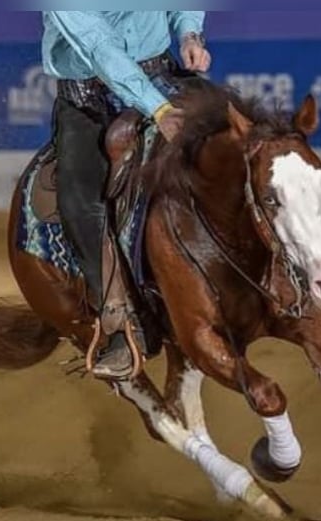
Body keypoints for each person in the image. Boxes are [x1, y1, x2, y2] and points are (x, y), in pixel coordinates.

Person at [41, 11, 212, 379]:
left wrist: (189, 34)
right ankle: (117, 318)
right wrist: (159, 109)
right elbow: (100, 48)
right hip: (89, 100)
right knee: (81, 201)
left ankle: (282, 257)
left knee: (239, 141)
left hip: (161, 76)